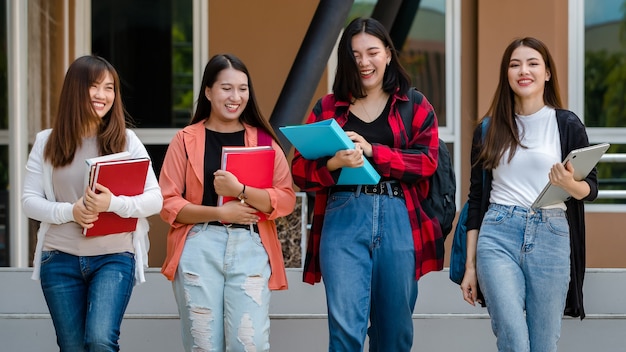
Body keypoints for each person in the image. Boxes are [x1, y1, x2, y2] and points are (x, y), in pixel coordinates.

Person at [292, 17, 442, 351]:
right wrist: (334, 163)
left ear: (388, 54)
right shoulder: (328, 108)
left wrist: (375, 152)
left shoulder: (414, 105)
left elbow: (427, 161)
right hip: (343, 215)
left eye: (372, 52)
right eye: (355, 54)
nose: (364, 61)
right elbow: (299, 171)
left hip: (398, 214)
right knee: (345, 332)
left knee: (394, 333)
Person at [460, 37, 598, 351]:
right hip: (497, 233)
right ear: (506, 74)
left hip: (551, 234)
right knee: (512, 336)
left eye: (533, 63)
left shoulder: (566, 124)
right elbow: (477, 199)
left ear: (547, 73)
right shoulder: (488, 129)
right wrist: (470, 267)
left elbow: (590, 188)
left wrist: (567, 184)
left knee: (544, 343)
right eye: (515, 64)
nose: (524, 70)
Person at [21, 55, 163, 351]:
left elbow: (155, 200)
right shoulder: (47, 142)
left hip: (114, 257)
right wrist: (70, 211)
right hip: (58, 259)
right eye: (95, 86)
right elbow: (29, 202)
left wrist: (113, 203)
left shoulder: (126, 141)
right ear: (75, 89)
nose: (103, 95)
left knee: (100, 340)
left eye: (110, 88)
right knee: (71, 346)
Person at [159, 53, 296, 352]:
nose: (236, 97)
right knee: (202, 343)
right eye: (226, 88)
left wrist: (241, 189)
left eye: (243, 88)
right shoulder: (185, 140)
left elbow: (285, 200)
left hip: (250, 245)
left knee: (251, 343)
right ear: (208, 92)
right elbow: (168, 203)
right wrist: (220, 212)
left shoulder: (263, 141)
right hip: (198, 244)